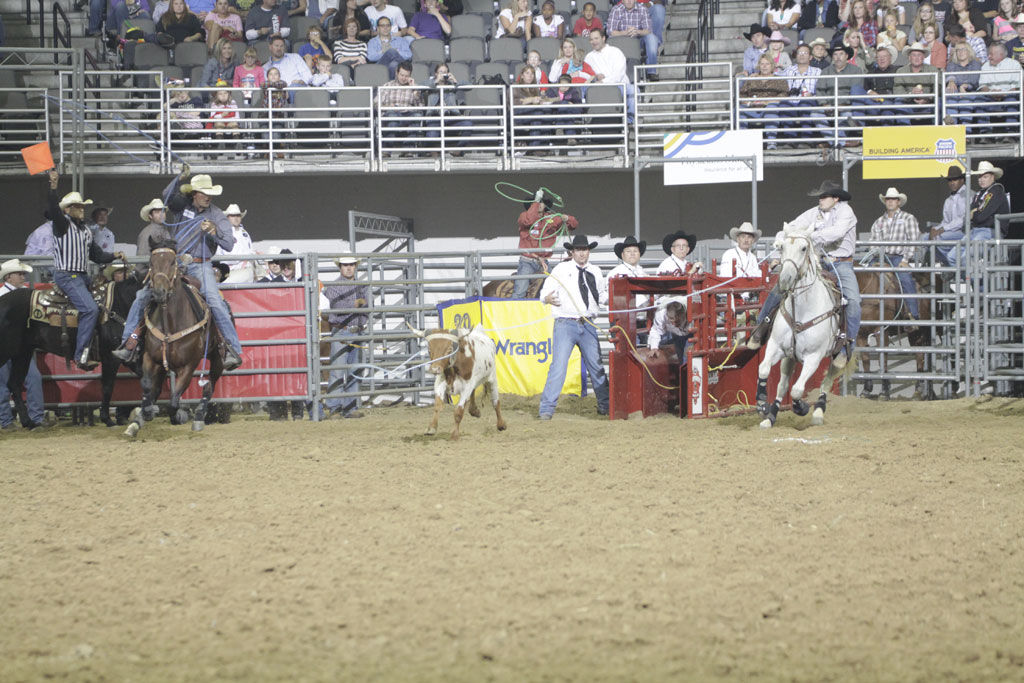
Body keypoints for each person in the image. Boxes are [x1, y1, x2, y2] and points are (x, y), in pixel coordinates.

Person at [113, 172, 244, 370]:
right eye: (203, 193)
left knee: (215, 301)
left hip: (201, 264)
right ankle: (129, 343)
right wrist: (179, 178)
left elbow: (228, 244)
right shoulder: (183, 207)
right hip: (176, 263)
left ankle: (231, 349)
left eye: (210, 193)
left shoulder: (216, 215)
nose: (208, 197)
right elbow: (167, 195)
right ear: (194, 194)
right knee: (143, 295)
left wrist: (214, 232)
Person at [746, 180, 861, 369]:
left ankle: (846, 346)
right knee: (782, 285)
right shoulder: (813, 213)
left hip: (841, 264)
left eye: (824, 196)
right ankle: (761, 328)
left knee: (854, 302)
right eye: (820, 197)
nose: (821, 200)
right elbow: (791, 226)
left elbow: (837, 233)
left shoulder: (845, 212)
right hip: (818, 262)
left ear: (835, 198)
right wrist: (783, 239)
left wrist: (808, 236)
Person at [46, 170, 124, 370]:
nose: (81, 209)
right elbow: (53, 210)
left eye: (82, 206)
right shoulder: (62, 225)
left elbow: (97, 256)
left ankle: (98, 347)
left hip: (82, 276)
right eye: (76, 206)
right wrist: (53, 187)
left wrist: (114, 256)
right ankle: (80, 354)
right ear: (67, 210)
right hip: (67, 275)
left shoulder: (86, 231)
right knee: (90, 309)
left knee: (106, 305)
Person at [537, 234, 610, 420]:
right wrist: (546, 298)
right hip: (566, 323)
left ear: (588, 251)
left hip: (588, 323)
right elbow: (545, 291)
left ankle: (605, 405)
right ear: (572, 252)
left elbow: (600, 296)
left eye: (584, 250)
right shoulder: (561, 269)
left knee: (596, 366)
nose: (582, 253)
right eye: (578, 250)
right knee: (559, 367)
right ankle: (546, 409)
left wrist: (614, 299)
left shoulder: (595, 270)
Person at [0, 259, 45, 430]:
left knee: (33, 378)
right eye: (20, 274)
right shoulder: (4, 295)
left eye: (23, 274)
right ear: (9, 277)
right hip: (7, 344)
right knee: (3, 383)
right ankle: (6, 421)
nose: (23, 277)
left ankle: (36, 417)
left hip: (20, 345)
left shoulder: (27, 294)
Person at [322, 254, 368, 418]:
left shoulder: (362, 285)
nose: (349, 268)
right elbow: (336, 306)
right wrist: (356, 304)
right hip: (341, 330)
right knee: (338, 370)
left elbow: (369, 304)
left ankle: (350, 407)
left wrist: (361, 309)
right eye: (345, 265)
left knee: (354, 370)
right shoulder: (333, 287)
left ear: (355, 266)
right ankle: (334, 407)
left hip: (357, 330)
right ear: (340, 267)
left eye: (351, 265)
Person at [513, 189, 578, 298]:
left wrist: (567, 218)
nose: (538, 205)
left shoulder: (552, 218)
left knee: (557, 286)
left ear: (545, 205)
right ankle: (513, 311)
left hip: (544, 263)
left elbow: (573, 225)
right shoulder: (523, 216)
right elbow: (529, 220)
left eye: (541, 202)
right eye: (536, 202)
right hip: (527, 262)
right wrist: (536, 201)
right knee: (520, 290)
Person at [869, 187, 922, 320]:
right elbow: (873, 241)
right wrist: (874, 251)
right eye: (888, 199)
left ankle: (913, 314)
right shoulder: (878, 222)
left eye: (893, 199)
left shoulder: (908, 218)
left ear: (898, 202)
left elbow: (914, 240)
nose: (890, 202)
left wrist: (905, 260)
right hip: (881, 257)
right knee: (864, 274)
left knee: (905, 279)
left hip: (899, 257)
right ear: (885, 202)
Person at [584, 28, 634, 120]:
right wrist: (595, 77)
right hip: (598, 88)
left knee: (633, 90)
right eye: (591, 39)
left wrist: (603, 81)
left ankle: (630, 121)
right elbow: (587, 76)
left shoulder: (616, 52)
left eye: (596, 38)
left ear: (603, 38)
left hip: (619, 85)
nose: (593, 42)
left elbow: (618, 75)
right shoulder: (588, 57)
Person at [738, 54, 787, 148]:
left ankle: (771, 141)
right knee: (740, 109)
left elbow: (784, 94)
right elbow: (742, 94)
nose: (764, 66)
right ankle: (742, 141)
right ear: (758, 66)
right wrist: (749, 102)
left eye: (767, 64)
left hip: (769, 106)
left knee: (771, 109)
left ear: (772, 66)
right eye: (762, 64)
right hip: (752, 107)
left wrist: (767, 102)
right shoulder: (752, 79)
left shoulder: (779, 80)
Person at [929, 165, 969, 266]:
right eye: (950, 180)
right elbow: (946, 221)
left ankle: (953, 267)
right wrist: (935, 228)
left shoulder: (969, 195)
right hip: (950, 232)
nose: (952, 182)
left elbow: (963, 220)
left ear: (962, 180)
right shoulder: (948, 200)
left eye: (955, 179)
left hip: (964, 232)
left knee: (938, 238)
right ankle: (950, 266)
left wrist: (942, 229)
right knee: (925, 238)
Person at [607, 0, 659, 67]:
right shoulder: (616, 9)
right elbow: (610, 31)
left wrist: (637, 31)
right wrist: (626, 33)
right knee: (611, 40)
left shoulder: (643, 9)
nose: (629, 1)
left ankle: (651, 71)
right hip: (621, 41)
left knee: (652, 38)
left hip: (638, 41)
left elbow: (648, 30)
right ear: (622, 1)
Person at [969, 160, 1011, 241]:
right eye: (979, 177)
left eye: (985, 177)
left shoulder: (996, 191)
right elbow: (970, 214)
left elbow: (980, 217)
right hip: (977, 230)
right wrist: (976, 213)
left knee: (969, 250)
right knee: (956, 251)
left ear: (992, 177)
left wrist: (974, 214)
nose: (981, 180)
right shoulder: (979, 194)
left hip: (991, 231)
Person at [135, 197, 172, 280]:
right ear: (150, 216)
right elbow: (143, 257)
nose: (161, 214)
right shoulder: (147, 233)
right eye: (157, 212)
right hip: (147, 274)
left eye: (162, 211)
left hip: (161, 271)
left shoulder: (165, 230)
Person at [217, 203, 256, 282]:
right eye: (232, 216)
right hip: (231, 272)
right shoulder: (222, 232)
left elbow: (251, 251)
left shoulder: (244, 233)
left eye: (238, 215)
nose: (236, 218)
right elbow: (220, 255)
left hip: (248, 270)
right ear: (227, 217)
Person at [24, 214, 55, 281]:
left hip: (42, 267)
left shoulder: (53, 228)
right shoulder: (46, 231)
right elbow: (47, 255)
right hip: (35, 269)